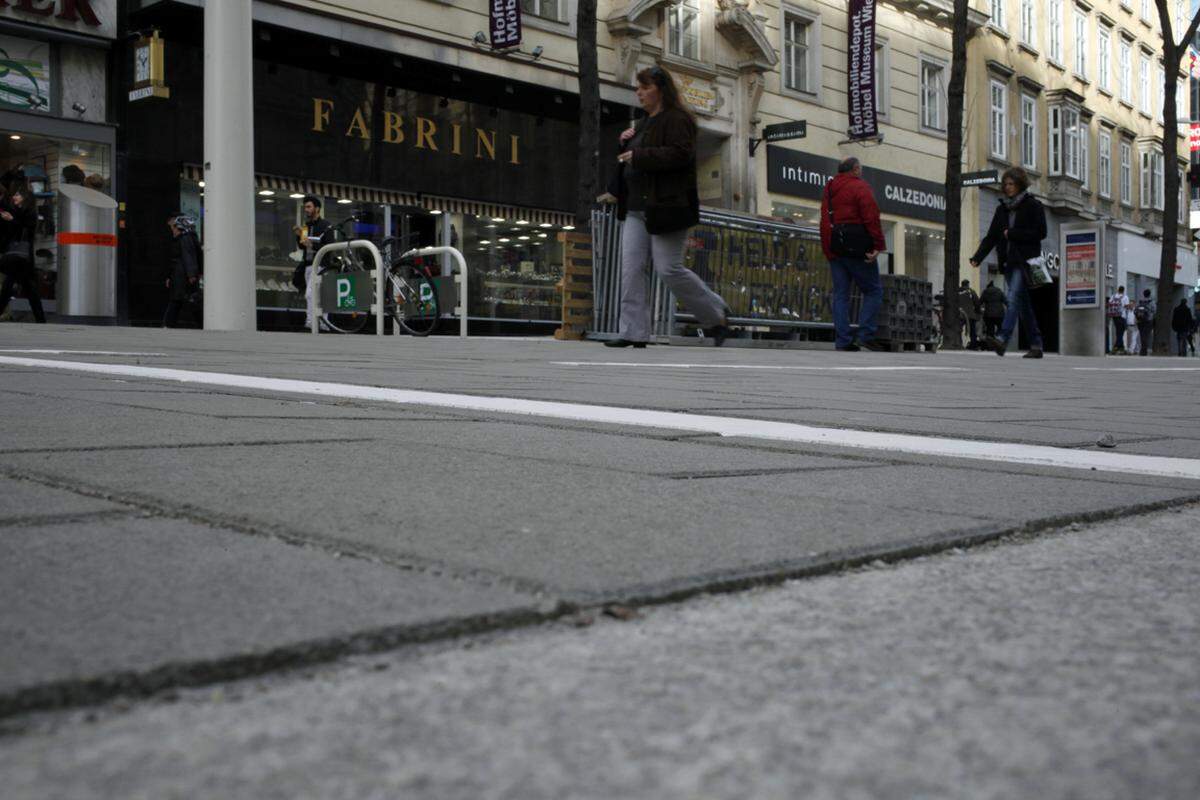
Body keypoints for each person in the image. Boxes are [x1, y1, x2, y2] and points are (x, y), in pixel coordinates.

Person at [606, 65, 730, 348]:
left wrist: (638, 155)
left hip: (666, 206)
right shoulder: (643, 122)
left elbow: (680, 154)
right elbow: (633, 158)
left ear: (660, 90)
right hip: (637, 207)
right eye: (638, 87)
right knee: (631, 270)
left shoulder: (678, 119)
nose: (639, 92)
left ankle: (715, 313)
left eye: (645, 87)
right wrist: (625, 145)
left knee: (668, 269)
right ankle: (633, 332)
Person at [969, 167, 1047, 358]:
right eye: (1005, 184)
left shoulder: (1033, 205)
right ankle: (1036, 344)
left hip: (1026, 261)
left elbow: (1041, 233)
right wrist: (978, 257)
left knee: (1012, 298)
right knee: (1023, 305)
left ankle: (1002, 339)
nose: (1008, 187)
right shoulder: (1002, 208)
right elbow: (992, 236)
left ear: (1020, 184)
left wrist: (1013, 234)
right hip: (1009, 262)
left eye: (1011, 184)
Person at [819, 157, 887, 351]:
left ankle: (843, 340)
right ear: (855, 169)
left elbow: (825, 217)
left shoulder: (830, 188)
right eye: (860, 168)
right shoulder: (860, 187)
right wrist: (878, 245)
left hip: (835, 247)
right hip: (857, 247)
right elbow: (871, 217)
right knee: (873, 290)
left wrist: (828, 249)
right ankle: (865, 335)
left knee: (841, 295)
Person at [0, 183, 46, 323]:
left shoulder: (30, 213)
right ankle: (40, 319)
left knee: (10, 287)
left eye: (17, 195)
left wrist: (12, 220)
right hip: (17, 257)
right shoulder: (15, 211)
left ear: (25, 198)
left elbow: (25, 231)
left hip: (22, 256)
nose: (14, 197)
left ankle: (41, 319)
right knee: (28, 288)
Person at [292, 195, 331, 329]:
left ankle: (311, 322)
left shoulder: (326, 226)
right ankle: (322, 323)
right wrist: (299, 237)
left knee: (311, 294)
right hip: (308, 265)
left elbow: (330, 247)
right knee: (318, 295)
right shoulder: (306, 227)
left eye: (309, 207)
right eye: (305, 207)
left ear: (317, 209)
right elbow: (303, 246)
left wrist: (311, 245)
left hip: (321, 265)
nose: (306, 210)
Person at [162, 213, 203, 328]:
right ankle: (169, 324)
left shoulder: (185, 239)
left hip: (182, 276)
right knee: (183, 300)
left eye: (175, 227)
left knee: (180, 301)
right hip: (180, 275)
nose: (173, 230)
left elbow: (188, 256)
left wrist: (191, 275)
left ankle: (168, 324)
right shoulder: (186, 238)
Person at [958, 279, 980, 348]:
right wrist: (977, 311)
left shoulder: (957, 291)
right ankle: (973, 345)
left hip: (960, 314)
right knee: (972, 331)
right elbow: (977, 303)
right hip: (970, 314)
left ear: (962, 284)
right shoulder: (972, 291)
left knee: (958, 330)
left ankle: (959, 343)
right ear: (968, 284)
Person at [1107, 286, 1130, 354]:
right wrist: (1127, 306)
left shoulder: (1113, 296)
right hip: (1122, 316)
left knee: (1118, 331)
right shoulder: (1125, 297)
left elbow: (1109, 304)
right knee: (1121, 331)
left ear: (1118, 290)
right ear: (1123, 290)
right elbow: (1127, 306)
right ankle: (1116, 347)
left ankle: (1121, 347)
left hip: (1114, 316)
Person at [1134, 288, 1155, 356]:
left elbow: (1135, 311)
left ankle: (1142, 350)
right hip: (1148, 320)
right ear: (1149, 294)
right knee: (1146, 336)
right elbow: (1154, 310)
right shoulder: (1151, 302)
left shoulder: (1140, 301)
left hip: (1140, 321)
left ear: (1143, 294)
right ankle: (1144, 350)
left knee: (1142, 335)